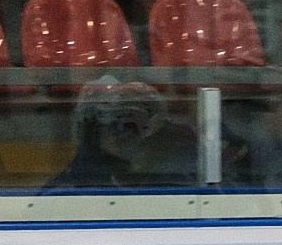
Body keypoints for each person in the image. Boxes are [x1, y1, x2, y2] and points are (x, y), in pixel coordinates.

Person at [44, 79, 198, 190]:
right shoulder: (75, 183)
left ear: (155, 124)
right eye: (113, 122)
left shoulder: (177, 167)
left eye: (130, 123)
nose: (121, 131)